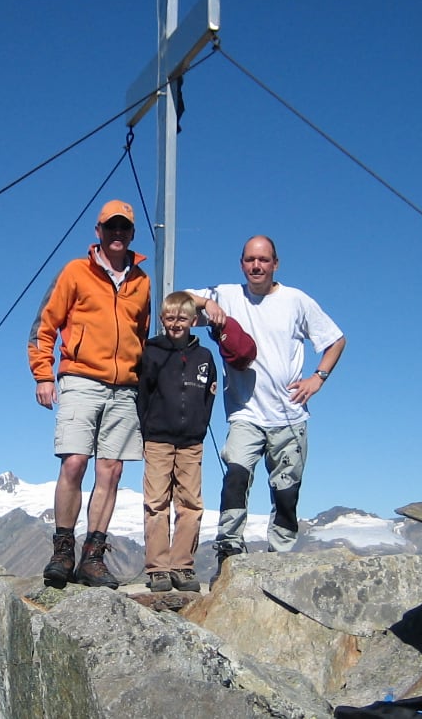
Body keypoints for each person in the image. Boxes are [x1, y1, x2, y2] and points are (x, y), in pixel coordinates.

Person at [188, 235, 346, 579]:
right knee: (236, 477)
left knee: (286, 492)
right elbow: (175, 302)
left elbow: (335, 340)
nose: (256, 266)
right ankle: (229, 553)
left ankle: (280, 560)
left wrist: (318, 378)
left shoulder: (296, 301)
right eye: (250, 260)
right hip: (245, 413)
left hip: (289, 416)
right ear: (241, 264)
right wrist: (207, 302)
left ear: (276, 264)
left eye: (263, 260)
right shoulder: (227, 295)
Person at [27, 199, 151, 588]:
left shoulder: (142, 282)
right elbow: (44, 325)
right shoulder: (75, 272)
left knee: (111, 470)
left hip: (125, 388)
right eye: (110, 226)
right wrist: (43, 375)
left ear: (132, 234)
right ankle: (62, 551)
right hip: (80, 378)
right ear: (98, 231)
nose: (117, 233)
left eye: (124, 227)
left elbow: (143, 334)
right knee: (74, 462)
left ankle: (92, 558)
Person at [135, 291, 218, 593]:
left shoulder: (204, 357)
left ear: (194, 321)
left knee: (191, 503)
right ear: (162, 319)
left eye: (182, 318)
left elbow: (209, 396)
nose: (175, 323)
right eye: (169, 318)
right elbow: (143, 394)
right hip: (158, 439)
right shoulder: (152, 352)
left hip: (191, 441)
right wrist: (148, 428)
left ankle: (182, 565)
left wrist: (199, 427)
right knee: (156, 502)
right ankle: (158, 568)